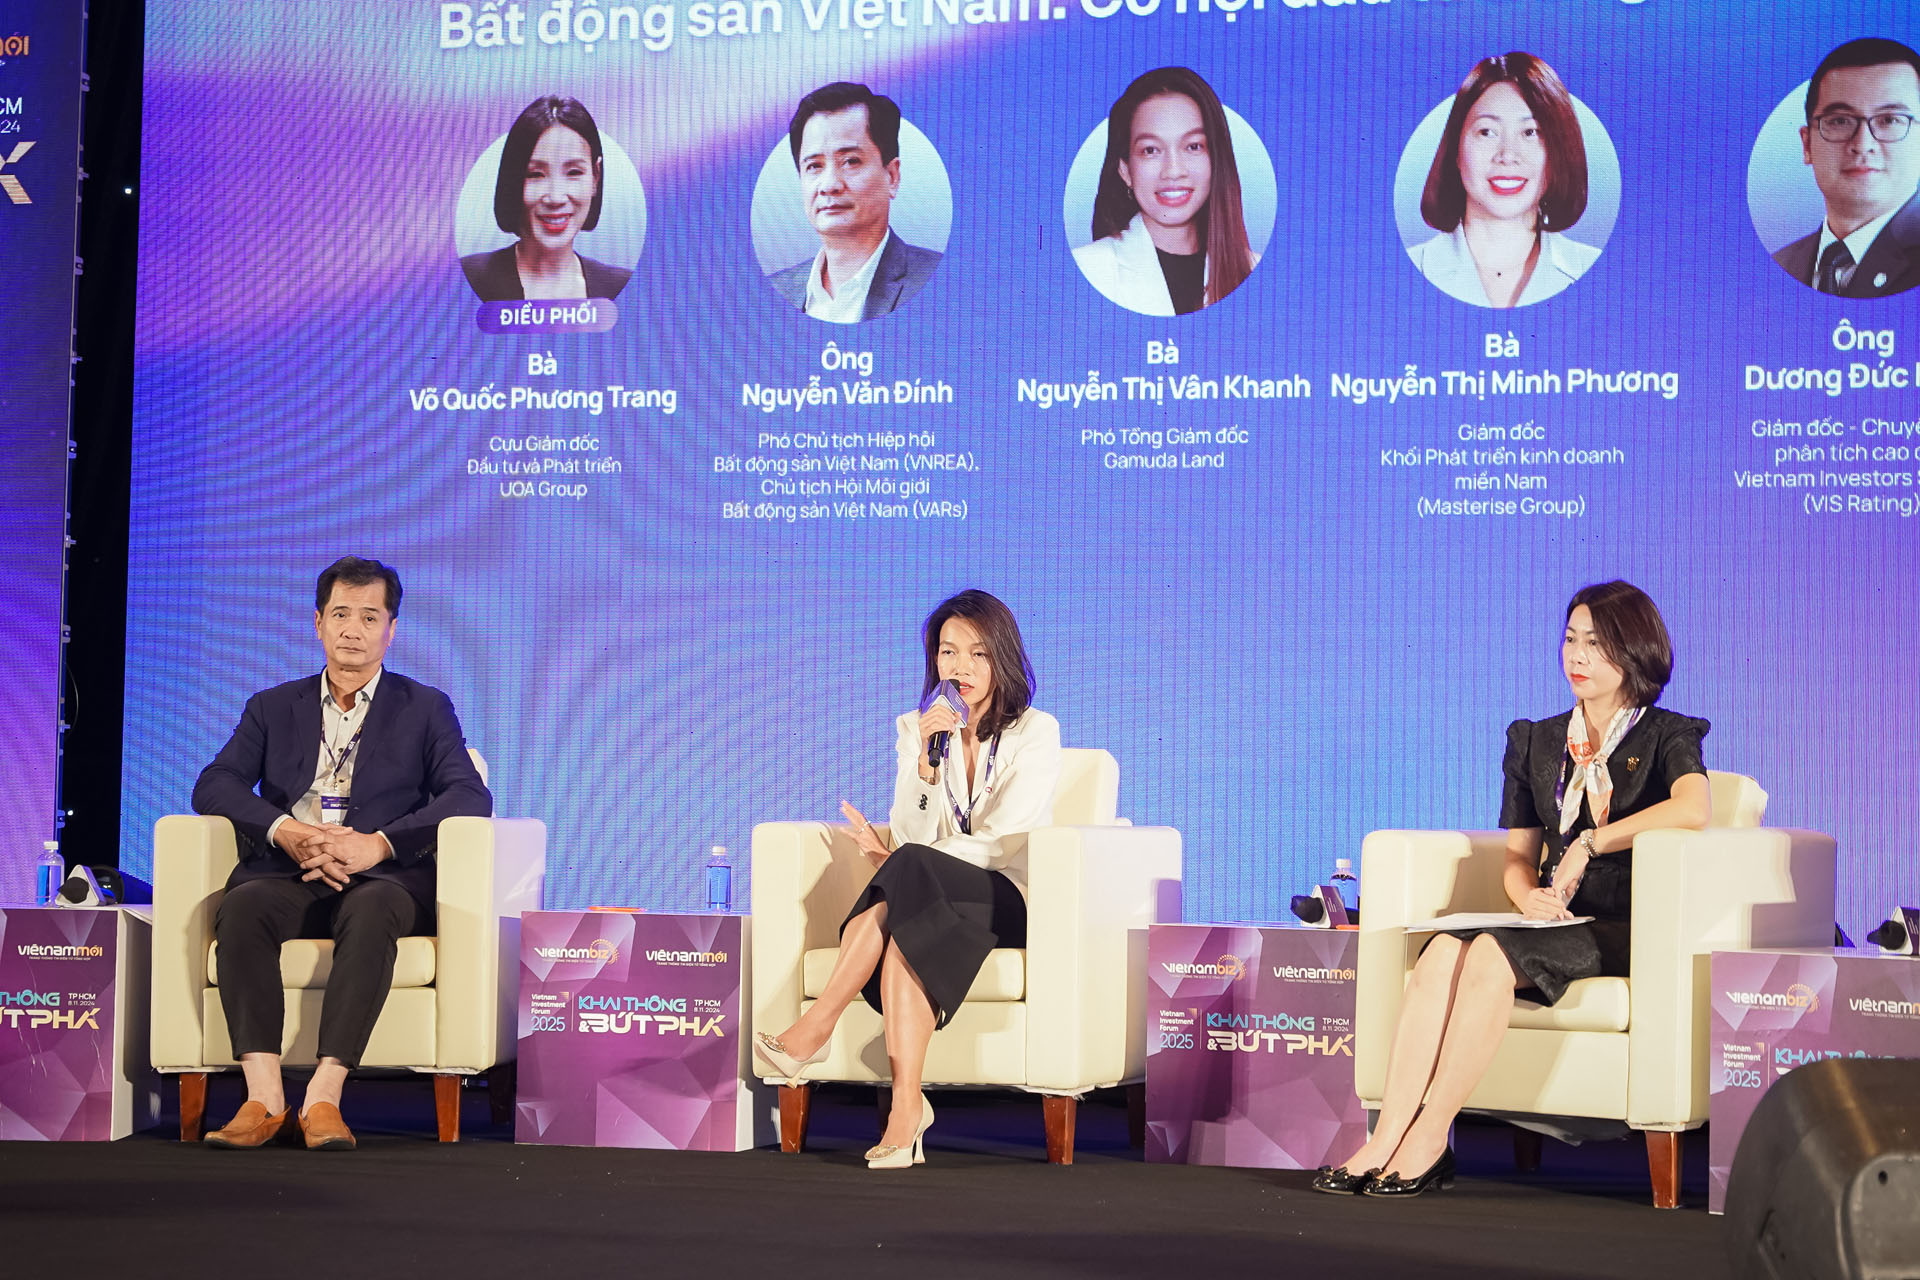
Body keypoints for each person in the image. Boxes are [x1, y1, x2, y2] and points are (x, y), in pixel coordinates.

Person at [1313, 581, 1710, 1198]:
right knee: (1441, 951)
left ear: (1635, 652)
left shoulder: (1667, 734)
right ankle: (1386, 1136)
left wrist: (1589, 842)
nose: (1576, 656)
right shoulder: (1537, 740)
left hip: (1626, 923)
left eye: (1596, 644)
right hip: (1551, 918)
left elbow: (1694, 808)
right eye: (1570, 640)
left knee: (1490, 954)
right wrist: (1527, 899)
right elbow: (1518, 859)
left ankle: (1429, 1139)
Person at [191, 557, 492, 1151]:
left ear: (391, 630)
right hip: (290, 869)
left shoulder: (425, 707)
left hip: (382, 878)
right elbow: (215, 784)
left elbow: (468, 794)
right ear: (318, 623)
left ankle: (324, 1098)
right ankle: (264, 1098)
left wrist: (377, 844)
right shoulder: (272, 706)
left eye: (369, 617)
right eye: (341, 614)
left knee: (373, 909)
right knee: (242, 908)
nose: (353, 630)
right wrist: (284, 830)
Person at [753, 589, 1061, 1169]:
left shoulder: (1035, 730)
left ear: (1002, 656)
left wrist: (910, 860)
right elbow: (909, 829)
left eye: (977, 653)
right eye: (948, 652)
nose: (960, 667)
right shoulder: (917, 729)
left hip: (1005, 898)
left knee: (910, 867)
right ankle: (905, 1111)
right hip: (934, 896)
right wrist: (925, 763)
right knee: (906, 931)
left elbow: (1007, 838)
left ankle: (817, 1025)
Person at [1408, 53, 1600, 309]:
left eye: (1530, 132)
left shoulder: (1594, 270)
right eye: (1487, 132)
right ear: (1456, 150)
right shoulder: (1411, 267)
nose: (1507, 156)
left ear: (1558, 152)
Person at [1072, 67, 1259, 315]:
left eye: (1193, 146)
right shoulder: (1089, 268)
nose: (1173, 171)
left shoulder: (1256, 269)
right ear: (1125, 171)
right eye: (1151, 150)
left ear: (1216, 160)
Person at [766, 82, 943, 323]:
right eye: (814, 166)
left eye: (850, 161)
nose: (829, 185)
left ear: (892, 176)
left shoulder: (937, 281)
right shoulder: (775, 290)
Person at [1771, 38, 1920, 297]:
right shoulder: (1781, 264)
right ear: (1807, 145)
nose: (1862, 145)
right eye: (1839, 121)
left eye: (1889, 120)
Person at [461, 95, 632, 302]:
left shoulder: (621, 286)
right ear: (513, 180)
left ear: (595, 177)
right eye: (536, 174)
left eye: (574, 172)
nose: (555, 197)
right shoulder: (466, 278)